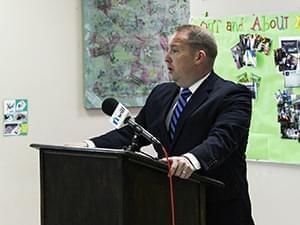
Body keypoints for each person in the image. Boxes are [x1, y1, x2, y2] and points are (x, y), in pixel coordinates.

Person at [74, 24, 255, 225]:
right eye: (167, 50)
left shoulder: (232, 95)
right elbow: (134, 133)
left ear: (199, 57)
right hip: (167, 209)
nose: (167, 58)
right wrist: (89, 146)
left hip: (216, 212)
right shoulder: (161, 93)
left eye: (175, 50)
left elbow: (222, 140)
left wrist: (190, 160)